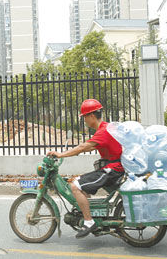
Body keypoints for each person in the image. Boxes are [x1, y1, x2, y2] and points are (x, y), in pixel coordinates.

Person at [47, 99, 124, 238]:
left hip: (112, 170)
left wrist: (60, 154)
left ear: (92, 116)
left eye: (85, 117)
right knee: (82, 183)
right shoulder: (105, 128)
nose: (84, 121)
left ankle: (89, 221)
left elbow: (82, 148)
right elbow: (89, 146)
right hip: (112, 167)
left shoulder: (103, 132)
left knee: (75, 185)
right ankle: (88, 211)